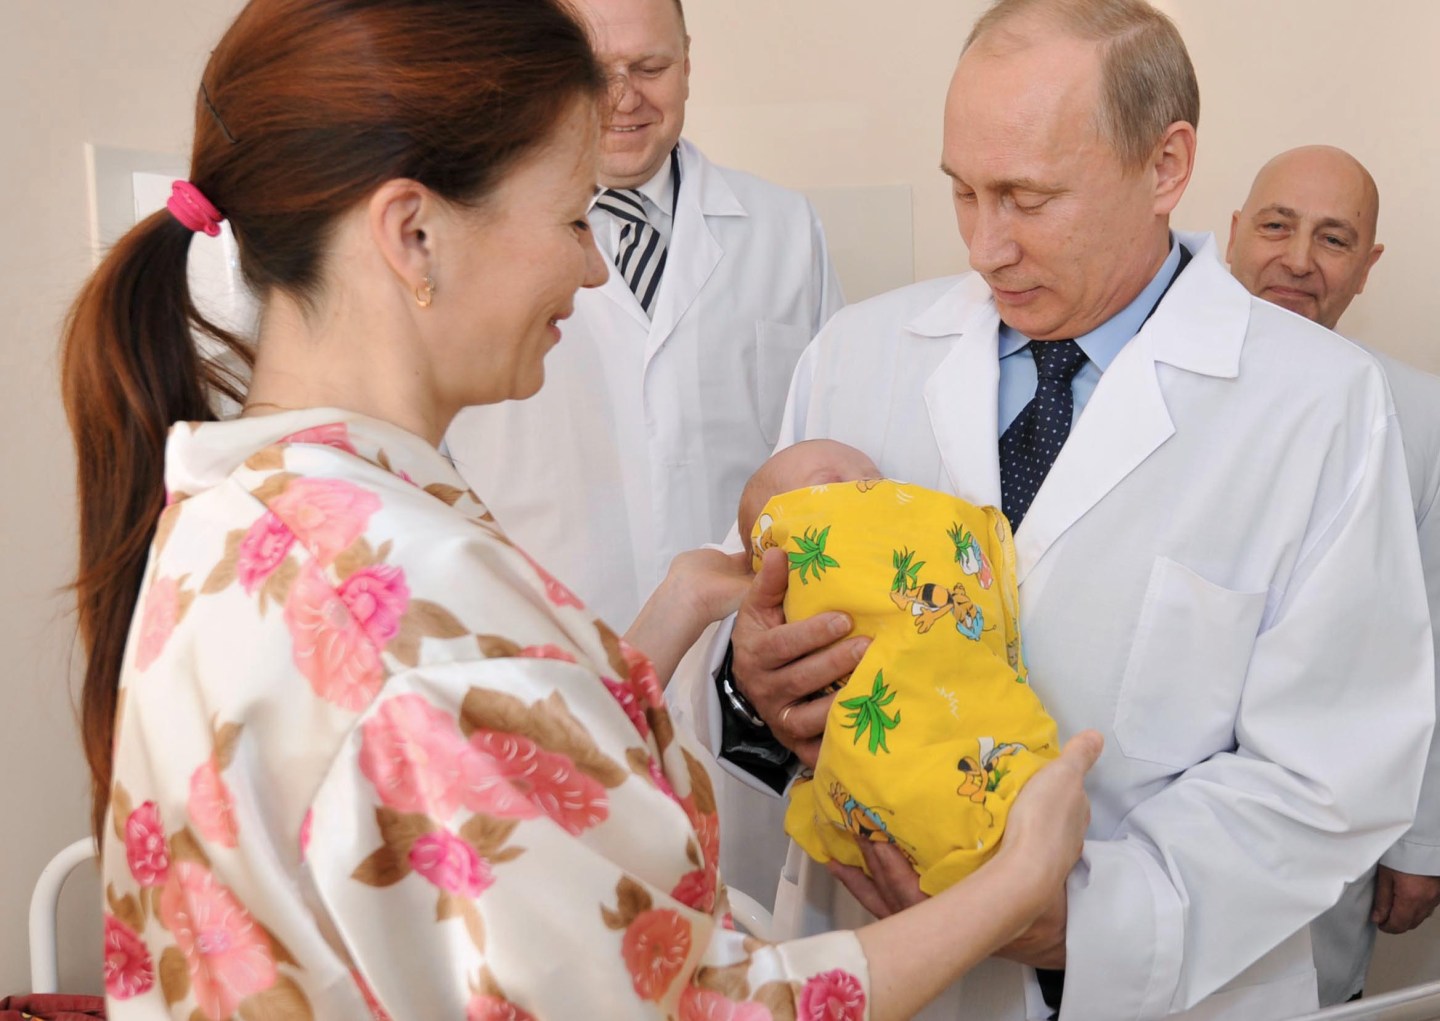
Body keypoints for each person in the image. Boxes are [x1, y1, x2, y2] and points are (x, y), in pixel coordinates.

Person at [61, 2, 1100, 1019]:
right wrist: (1015, 885)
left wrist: (660, 624)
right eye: (571, 217)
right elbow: (695, 1007)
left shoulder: (245, 503)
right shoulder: (415, 606)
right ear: (413, 234)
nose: (594, 262)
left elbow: (458, 791)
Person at [676, 1, 1435, 1018]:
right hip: (882, 962)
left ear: (1166, 167)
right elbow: (758, 639)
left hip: (1170, 986)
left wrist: (1079, 922)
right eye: (964, 193)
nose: (986, 247)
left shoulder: (1318, 402)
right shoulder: (858, 358)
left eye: (1028, 199)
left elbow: (1332, 770)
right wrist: (752, 686)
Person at [444, 0, 844, 632]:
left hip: (743, 651)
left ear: (688, 61)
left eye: (650, 66)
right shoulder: (465, 236)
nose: (623, 98)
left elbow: (828, 447)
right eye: (596, 71)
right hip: (544, 647)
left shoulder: (785, 230)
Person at [1228, 144, 1440, 1006]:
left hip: (1323, 844)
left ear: (1368, 266)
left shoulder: (1421, 417)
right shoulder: (1134, 384)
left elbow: (1433, 635)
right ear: (1235, 233)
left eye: (1334, 238)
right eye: (1277, 226)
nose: (1298, 259)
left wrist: (1422, 842)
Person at [736, 440, 1059, 896]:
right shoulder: (833, 378)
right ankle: (979, 839)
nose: (872, 487)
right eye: (833, 485)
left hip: (1101, 876)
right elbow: (753, 575)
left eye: (878, 482)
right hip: (871, 738)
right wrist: (756, 669)